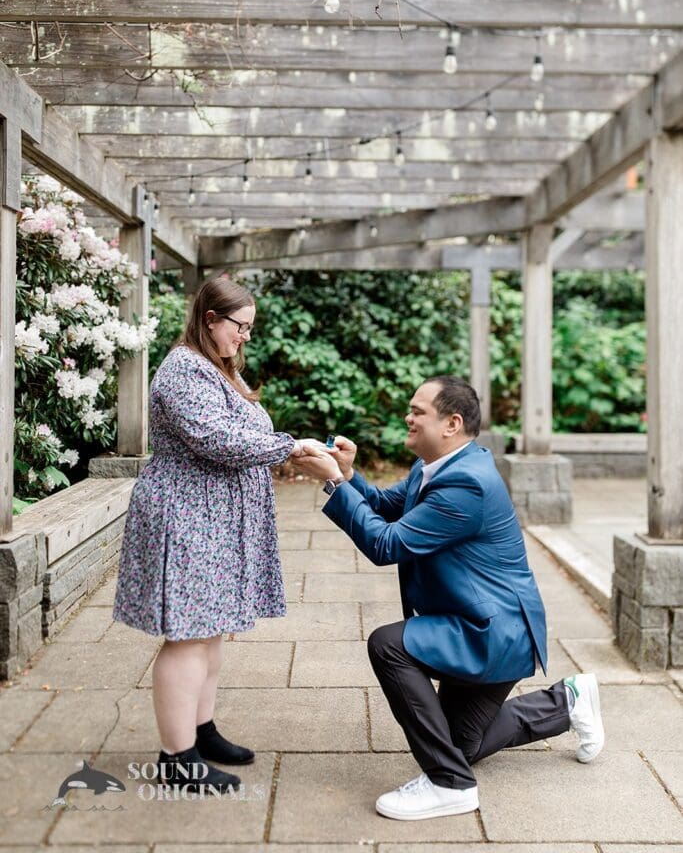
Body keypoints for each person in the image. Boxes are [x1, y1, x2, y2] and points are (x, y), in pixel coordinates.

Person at [293, 375, 604, 821]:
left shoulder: (467, 485)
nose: (408, 417)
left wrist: (336, 489)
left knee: (389, 644)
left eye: (418, 411)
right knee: (461, 745)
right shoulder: (435, 466)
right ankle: (568, 701)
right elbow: (384, 506)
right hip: (476, 622)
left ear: (452, 424)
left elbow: (387, 545)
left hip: (491, 633)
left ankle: (449, 784)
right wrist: (346, 474)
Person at [113, 276, 319, 795]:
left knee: (209, 631)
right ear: (210, 320)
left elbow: (244, 434)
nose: (246, 337)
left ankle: (201, 733)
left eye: (250, 327)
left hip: (213, 520)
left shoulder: (215, 368)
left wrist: (285, 449)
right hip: (187, 518)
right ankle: (177, 758)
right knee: (187, 637)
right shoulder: (183, 370)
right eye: (240, 326)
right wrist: (290, 448)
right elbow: (218, 439)